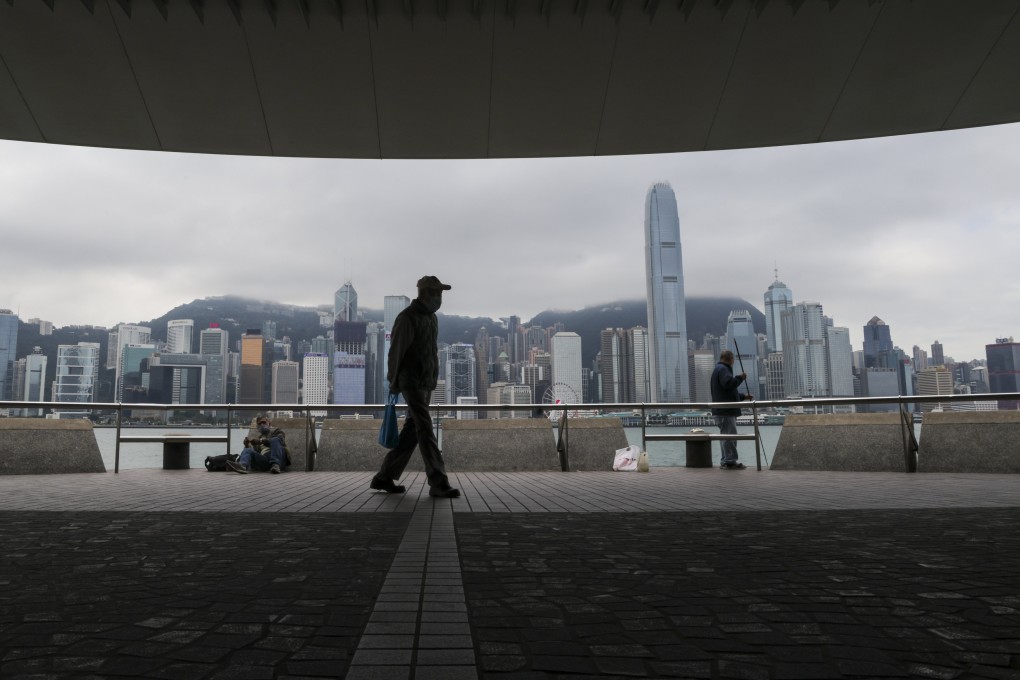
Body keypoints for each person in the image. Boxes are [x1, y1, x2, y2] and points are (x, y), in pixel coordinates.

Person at [370, 275, 461, 498]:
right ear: (424, 293)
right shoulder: (407, 318)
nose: (440, 298)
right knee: (425, 428)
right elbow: (396, 352)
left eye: (441, 293)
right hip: (411, 381)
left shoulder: (432, 319)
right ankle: (438, 481)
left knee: (412, 430)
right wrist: (393, 381)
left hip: (425, 381)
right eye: (437, 293)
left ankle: (384, 477)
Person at [710, 350, 754, 470]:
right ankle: (730, 462)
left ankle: (726, 460)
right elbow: (728, 384)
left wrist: (743, 396)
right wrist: (740, 378)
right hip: (726, 411)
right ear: (730, 359)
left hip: (721, 410)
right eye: (733, 360)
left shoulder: (717, 369)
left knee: (725, 437)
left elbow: (728, 393)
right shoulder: (724, 369)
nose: (733, 362)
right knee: (730, 437)